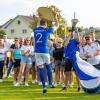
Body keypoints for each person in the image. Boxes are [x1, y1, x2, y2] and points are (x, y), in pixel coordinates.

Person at [34, 17, 59, 93]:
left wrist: (39, 18)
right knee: (48, 66)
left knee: (41, 69)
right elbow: (57, 25)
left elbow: (38, 25)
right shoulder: (47, 30)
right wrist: (55, 16)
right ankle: (50, 83)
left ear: (40, 23)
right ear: (45, 24)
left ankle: (44, 87)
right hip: (45, 51)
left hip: (37, 52)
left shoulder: (35, 30)